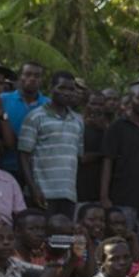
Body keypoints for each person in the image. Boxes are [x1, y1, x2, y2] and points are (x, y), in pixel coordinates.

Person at [101, 84, 139, 243]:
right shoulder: (117, 127)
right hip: (123, 198)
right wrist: (104, 196)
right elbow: (108, 161)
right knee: (121, 243)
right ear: (131, 100)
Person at [18, 71, 84, 218]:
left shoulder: (78, 120)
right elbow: (24, 156)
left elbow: (77, 157)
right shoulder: (35, 117)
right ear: (51, 88)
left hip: (68, 194)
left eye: (71, 89)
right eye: (62, 88)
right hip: (42, 193)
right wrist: (33, 189)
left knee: (63, 238)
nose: (67, 93)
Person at [0, 61, 48, 181]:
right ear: (20, 77)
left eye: (37, 76)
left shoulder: (49, 104)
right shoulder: (3, 99)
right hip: (5, 166)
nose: (32, 78)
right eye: (27, 74)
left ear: (41, 80)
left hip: (37, 170)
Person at [78, 92, 108, 205]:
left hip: (101, 190)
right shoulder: (78, 125)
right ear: (86, 105)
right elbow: (82, 158)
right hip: (80, 189)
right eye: (93, 104)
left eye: (101, 105)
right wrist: (102, 155)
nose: (97, 108)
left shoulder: (109, 128)